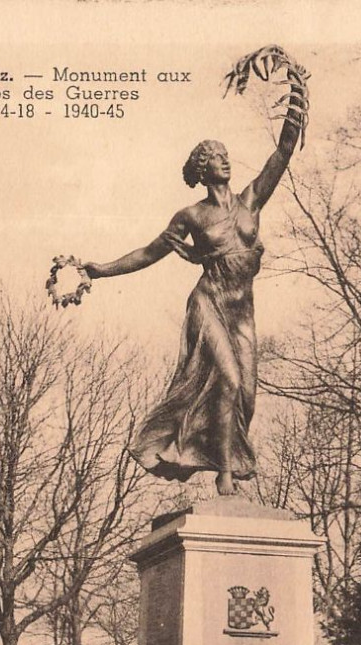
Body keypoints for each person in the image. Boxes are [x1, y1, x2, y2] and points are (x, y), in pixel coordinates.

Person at [84, 64, 308, 496]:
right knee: (227, 380)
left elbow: (282, 152)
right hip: (209, 303)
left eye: (225, 154)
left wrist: (296, 97)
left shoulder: (251, 203)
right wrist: (102, 270)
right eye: (214, 157)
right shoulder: (191, 215)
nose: (224, 160)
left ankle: (223, 459)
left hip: (243, 311)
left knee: (245, 396)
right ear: (202, 171)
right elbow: (150, 252)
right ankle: (225, 475)